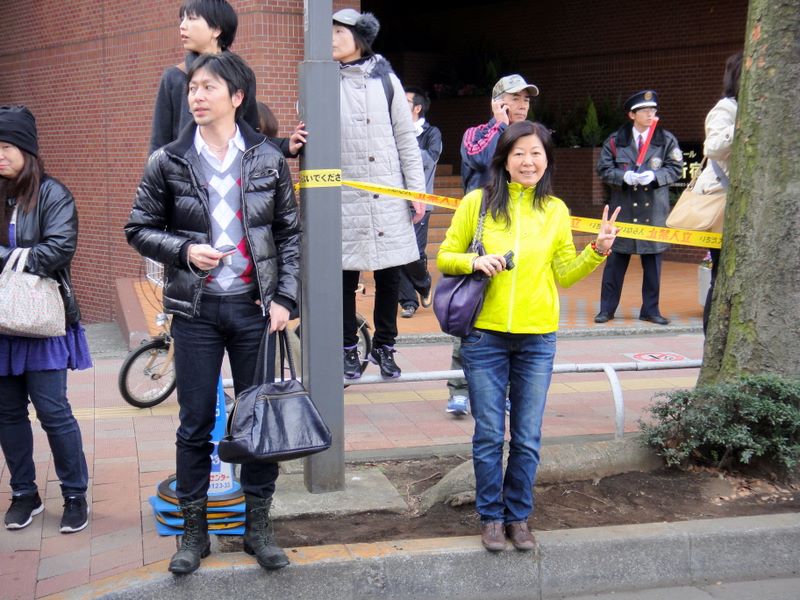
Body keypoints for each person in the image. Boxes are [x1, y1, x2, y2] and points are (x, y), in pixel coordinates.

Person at [125, 52, 301, 575]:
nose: (196, 96)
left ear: (236, 97)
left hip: (255, 310)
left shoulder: (267, 158)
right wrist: (184, 250)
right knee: (195, 421)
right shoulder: (169, 160)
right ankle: (193, 533)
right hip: (196, 311)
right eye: (193, 88)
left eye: (208, 87)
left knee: (258, 421)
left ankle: (258, 528)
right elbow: (138, 227)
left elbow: (289, 234)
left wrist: (285, 298)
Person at [437, 120, 620, 552]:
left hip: (537, 339)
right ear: (504, 160)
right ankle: (491, 517)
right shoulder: (477, 202)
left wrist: (597, 249)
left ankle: (518, 516)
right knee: (488, 434)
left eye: (536, 153)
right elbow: (445, 256)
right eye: (519, 153)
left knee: (527, 436)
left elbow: (564, 273)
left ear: (547, 161)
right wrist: (473, 263)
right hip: (484, 336)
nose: (528, 161)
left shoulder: (555, 210)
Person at [0, 106, 92, 534]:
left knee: (54, 412)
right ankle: (24, 493)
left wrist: (7, 258)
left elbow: (59, 249)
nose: (0, 155)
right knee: (7, 413)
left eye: (6, 146)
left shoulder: (53, 194)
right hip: (2, 323)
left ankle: (74, 495)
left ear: (26, 149)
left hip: (40, 320)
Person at [333, 9, 426, 380]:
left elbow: (406, 138)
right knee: (344, 277)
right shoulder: (323, 79)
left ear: (359, 37)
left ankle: (385, 346)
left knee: (390, 275)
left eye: (339, 32)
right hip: (344, 195)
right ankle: (347, 348)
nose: (332, 39)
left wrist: (416, 191)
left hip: (388, 192)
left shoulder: (387, 80)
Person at [447, 74, 539, 415]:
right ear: (498, 102)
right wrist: (500, 126)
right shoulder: (477, 134)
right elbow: (486, 159)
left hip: (520, 235)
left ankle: (506, 391)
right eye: (515, 98)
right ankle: (459, 388)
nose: (522, 105)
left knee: (513, 317)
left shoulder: (532, 138)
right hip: (481, 238)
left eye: (526, 99)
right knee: (471, 313)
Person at [149, 0, 306, 156]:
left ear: (217, 29)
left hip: (233, 170)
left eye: (191, 18)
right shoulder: (174, 78)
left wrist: (286, 145)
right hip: (186, 171)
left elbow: (249, 136)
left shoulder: (242, 75)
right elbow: (158, 146)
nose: (182, 26)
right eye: (182, 19)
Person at [594, 90, 683, 325]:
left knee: (653, 267)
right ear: (632, 115)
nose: (650, 114)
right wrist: (624, 177)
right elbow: (603, 169)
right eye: (644, 111)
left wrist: (655, 176)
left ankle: (651, 310)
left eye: (653, 110)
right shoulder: (616, 140)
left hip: (653, 212)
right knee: (615, 264)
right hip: (623, 211)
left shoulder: (665, 140)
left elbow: (676, 168)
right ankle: (606, 309)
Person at [697, 51, 741, 334]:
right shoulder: (727, 108)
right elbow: (712, 147)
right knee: (721, 275)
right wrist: (741, 124)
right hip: (724, 203)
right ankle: (711, 339)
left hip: (746, 205)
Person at [398, 87, 442, 319]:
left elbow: (430, 159)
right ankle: (408, 301)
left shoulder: (431, 133)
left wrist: (405, 145)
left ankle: (423, 283)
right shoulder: (393, 130)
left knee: (414, 251)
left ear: (417, 108)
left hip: (420, 203)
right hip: (394, 202)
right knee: (396, 252)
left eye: (405, 101)